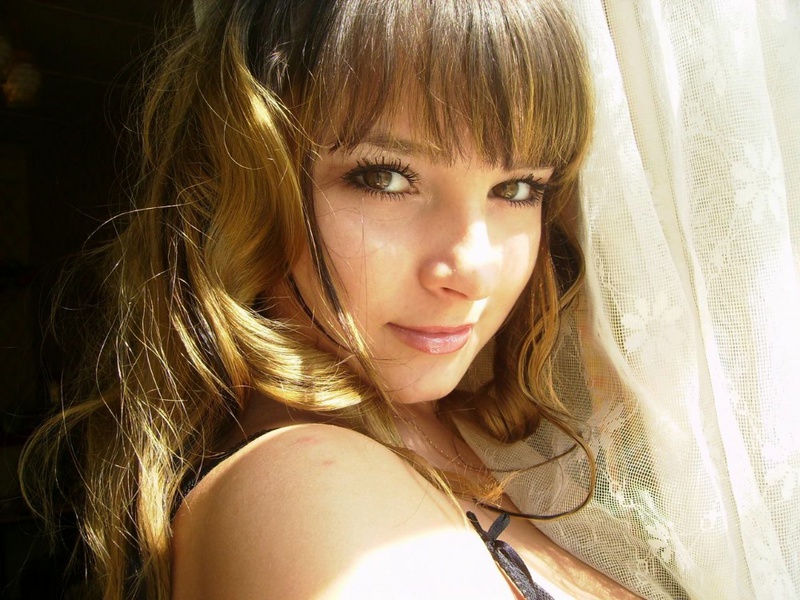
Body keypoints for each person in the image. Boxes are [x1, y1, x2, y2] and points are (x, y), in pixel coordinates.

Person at [21, 0, 642, 598]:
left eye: (518, 187)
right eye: (384, 178)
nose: (474, 272)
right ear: (244, 187)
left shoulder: (471, 424)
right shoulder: (306, 493)